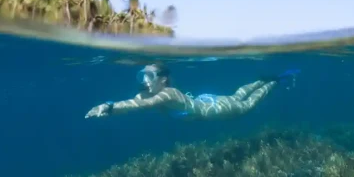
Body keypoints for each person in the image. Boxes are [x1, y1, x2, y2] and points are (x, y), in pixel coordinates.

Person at [85, 64, 293, 120]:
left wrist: (109, 107)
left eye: (150, 76)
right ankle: (265, 79)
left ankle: (273, 82)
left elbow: (141, 105)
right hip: (204, 101)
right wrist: (114, 107)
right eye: (142, 76)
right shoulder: (149, 94)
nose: (145, 81)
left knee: (245, 105)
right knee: (237, 95)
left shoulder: (167, 93)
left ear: (163, 80)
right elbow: (133, 102)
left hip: (211, 110)